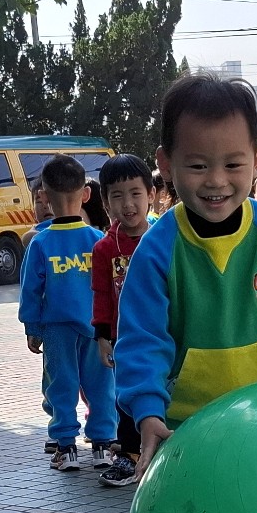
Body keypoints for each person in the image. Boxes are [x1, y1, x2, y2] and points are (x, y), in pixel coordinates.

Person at [114, 73, 257, 479]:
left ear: (256, 159)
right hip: (184, 428)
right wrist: (147, 412)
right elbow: (142, 339)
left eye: (233, 164)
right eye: (198, 165)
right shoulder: (157, 249)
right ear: (166, 164)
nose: (216, 180)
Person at [18, 154, 116, 470]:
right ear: (86, 194)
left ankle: (66, 448)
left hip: (56, 329)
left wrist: (32, 327)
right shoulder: (98, 240)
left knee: (61, 385)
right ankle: (103, 444)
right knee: (102, 385)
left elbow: (30, 290)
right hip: (97, 328)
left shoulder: (40, 243)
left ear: (44, 196)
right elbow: (111, 287)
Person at [90, 154, 157, 487]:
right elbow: (102, 294)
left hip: (163, 334)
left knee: (163, 391)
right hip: (124, 338)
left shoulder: (163, 239)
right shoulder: (105, 250)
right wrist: (103, 336)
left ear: (151, 194)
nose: (128, 204)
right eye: (117, 196)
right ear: (105, 203)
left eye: (135, 193)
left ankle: (163, 449)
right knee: (127, 395)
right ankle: (129, 455)